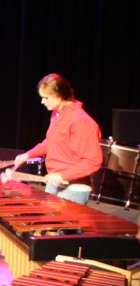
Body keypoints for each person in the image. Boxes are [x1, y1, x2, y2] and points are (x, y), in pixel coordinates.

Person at [11, 73, 103, 205]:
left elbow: (93, 160)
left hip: (74, 187)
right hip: (54, 183)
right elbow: (52, 142)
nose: (42, 102)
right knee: (47, 224)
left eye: (46, 98)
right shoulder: (57, 113)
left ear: (59, 95)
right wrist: (28, 154)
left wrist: (62, 176)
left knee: (61, 226)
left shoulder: (81, 121)